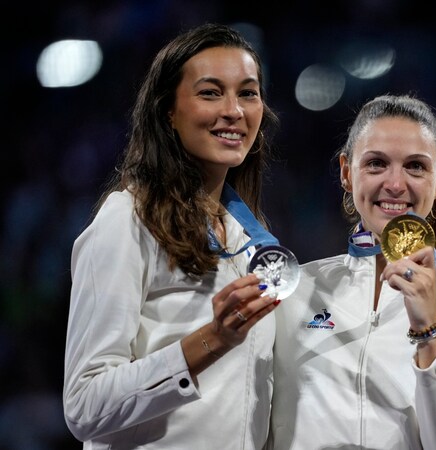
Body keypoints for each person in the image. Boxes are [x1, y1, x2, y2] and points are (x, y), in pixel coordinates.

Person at [63, 23, 283, 449]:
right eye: (210, 92)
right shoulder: (127, 220)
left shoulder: (250, 238)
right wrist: (213, 340)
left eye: (248, 92)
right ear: (168, 112)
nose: (234, 110)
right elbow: (84, 405)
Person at [268, 95, 436, 449]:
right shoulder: (295, 291)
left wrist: (429, 333)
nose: (395, 184)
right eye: (376, 164)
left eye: (415, 166)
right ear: (346, 173)